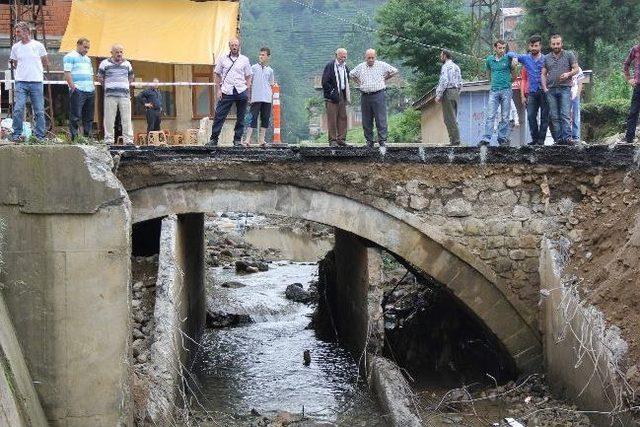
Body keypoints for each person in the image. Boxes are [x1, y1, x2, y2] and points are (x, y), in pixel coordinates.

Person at [208, 38, 252, 146]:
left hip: (240, 90)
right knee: (219, 115)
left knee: (241, 116)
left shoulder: (244, 60)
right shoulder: (223, 59)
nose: (234, 47)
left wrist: (247, 89)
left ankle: (237, 140)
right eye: (232, 45)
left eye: (236, 45)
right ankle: (214, 139)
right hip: (227, 90)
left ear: (239, 46)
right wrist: (218, 89)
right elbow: (217, 74)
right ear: (229, 46)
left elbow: (248, 75)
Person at [349, 49, 398, 147]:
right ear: (365, 58)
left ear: (375, 57)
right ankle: (369, 140)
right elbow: (351, 74)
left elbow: (395, 71)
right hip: (365, 95)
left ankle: (382, 140)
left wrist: (385, 78)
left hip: (378, 94)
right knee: (366, 119)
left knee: (380, 118)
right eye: (369, 58)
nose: (371, 60)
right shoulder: (360, 66)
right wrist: (358, 82)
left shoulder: (381, 65)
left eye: (372, 58)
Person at [10, 21, 49, 141]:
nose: (16, 34)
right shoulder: (15, 47)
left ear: (27, 32)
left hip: (36, 81)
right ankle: (16, 134)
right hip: (21, 81)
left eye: (18, 32)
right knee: (18, 108)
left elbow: (46, 62)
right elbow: (14, 62)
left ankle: (40, 136)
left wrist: (35, 70)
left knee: (39, 110)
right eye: (16, 32)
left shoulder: (38, 45)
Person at [509, 35, 550, 145]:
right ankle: (535, 139)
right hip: (532, 92)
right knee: (531, 116)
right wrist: (514, 58)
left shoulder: (546, 59)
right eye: (532, 46)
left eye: (536, 46)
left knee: (544, 117)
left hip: (545, 91)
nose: (534, 48)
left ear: (540, 46)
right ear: (529, 46)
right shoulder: (526, 58)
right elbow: (511, 53)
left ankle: (541, 141)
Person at [541, 34, 579, 145]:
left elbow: (576, 69)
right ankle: (558, 140)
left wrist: (568, 74)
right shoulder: (546, 57)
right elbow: (543, 74)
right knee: (554, 116)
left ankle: (567, 138)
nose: (556, 46)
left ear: (561, 44)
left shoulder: (569, 54)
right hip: (551, 90)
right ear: (550, 45)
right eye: (554, 44)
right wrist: (544, 88)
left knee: (565, 114)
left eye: (558, 43)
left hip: (565, 88)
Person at [479, 40, 515, 146]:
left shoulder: (508, 58)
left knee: (505, 116)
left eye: (504, 48)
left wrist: (508, 82)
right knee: (490, 115)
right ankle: (486, 139)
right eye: (500, 48)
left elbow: (514, 74)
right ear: (495, 48)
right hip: (494, 90)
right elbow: (488, 73)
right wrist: (492, 83)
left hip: (506, 90)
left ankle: (502, 138)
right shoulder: (489, 59)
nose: (502, 50)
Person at [98, 44, 134, 145]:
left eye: (121, 52)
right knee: (109, 118)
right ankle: (109, 140)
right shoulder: (104, 63)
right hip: (110, 96)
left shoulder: (127, 64)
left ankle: (129, 140)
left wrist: (124, 86)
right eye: (117, 52)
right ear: (112, 53)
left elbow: (131, 78)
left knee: (126, 119)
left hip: (124, 96)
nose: (119, 54)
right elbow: (100, 78)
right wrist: (109, 87)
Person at [63, 38, 95, 141]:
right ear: (78, 45)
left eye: (88, 48)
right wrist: (73, 88)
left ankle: (87, 138)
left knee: (89, 117)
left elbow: (91, 74)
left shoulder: (88, 59)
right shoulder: (69, 57)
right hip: (78, 90)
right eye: (85, 47)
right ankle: (75, 138)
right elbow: (67, 73)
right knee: (75, 116)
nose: (86, 50)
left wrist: (93, 87)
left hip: (89, 90)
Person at [244, 47, 275, 147]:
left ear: (268, 57)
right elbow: (249, 82)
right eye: (260, 54)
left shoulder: (270, 70)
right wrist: (248, 95)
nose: (261, 56)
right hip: (256, 97)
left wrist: (270, 95)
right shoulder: (253, 68)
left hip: (266, 98)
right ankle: (247, 139)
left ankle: (261, 140)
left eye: (263, 55)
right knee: (252, 118)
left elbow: (271, 84)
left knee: (265, 118)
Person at [322, 48, 351, 147]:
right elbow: (325, 82)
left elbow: (347, 80)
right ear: (336, 55)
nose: (343, 58)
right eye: (341, 56)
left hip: (342, 95)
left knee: (343, 117)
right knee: (332, 119)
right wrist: (332, 92)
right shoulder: (330, 66)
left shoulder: (345, 67)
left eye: (345, 56)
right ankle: (333, 140)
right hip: (332, 97)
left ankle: (341, 139)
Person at [435, 50, 462, 146]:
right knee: (454, 116)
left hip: (448, 92)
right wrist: (457, 92)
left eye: (441, 55)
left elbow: (444, 81)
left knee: (449, 118)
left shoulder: (445, 66)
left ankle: (454, 141)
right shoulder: (456, 66)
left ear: (445, 56)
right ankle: (455, 140)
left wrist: (438, 95)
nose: (440, 57)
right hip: (455, 92)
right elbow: (460, 82)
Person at [623, 43, 640, 144]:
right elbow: (626, 64)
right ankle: (629, 139)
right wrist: (629, 79)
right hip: (638, 86)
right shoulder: (636, 49)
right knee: (633, 112)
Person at [570, 67, 585, 141]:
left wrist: (577, 94)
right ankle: (567, 136)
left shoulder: (578, 69)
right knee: (565, 116)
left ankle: (575, 136)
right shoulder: (563, 66)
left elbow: (580, 83)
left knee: (575, 116)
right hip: (565, 95)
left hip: (575, 94)